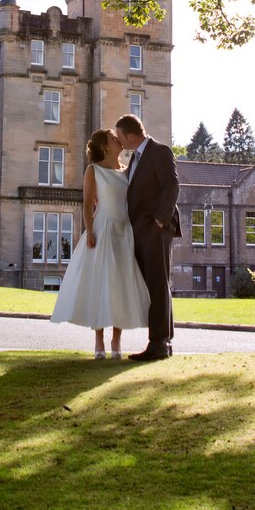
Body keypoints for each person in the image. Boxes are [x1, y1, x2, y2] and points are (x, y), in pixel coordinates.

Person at [49, 128, 149, 358]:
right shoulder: (93, 170)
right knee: (100, 285)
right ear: (105, 145)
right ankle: (99, 341)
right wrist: (90, 231)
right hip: (103, 230)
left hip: (125, 232)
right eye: (114, 138)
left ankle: (116, 341)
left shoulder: (128, 170)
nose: (119, 140)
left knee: (120, 286)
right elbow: (86, 205)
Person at [114, 113, 180, 360]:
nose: (119, 142)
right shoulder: (135, 159)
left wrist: (160, 221)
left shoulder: (159, 152)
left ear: (131, 136)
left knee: (157, 285)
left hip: (157, 230)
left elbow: (171, 186)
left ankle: (159, 345)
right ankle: (163, 343)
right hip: (141, 231)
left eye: (120, 137)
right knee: (156, 285)